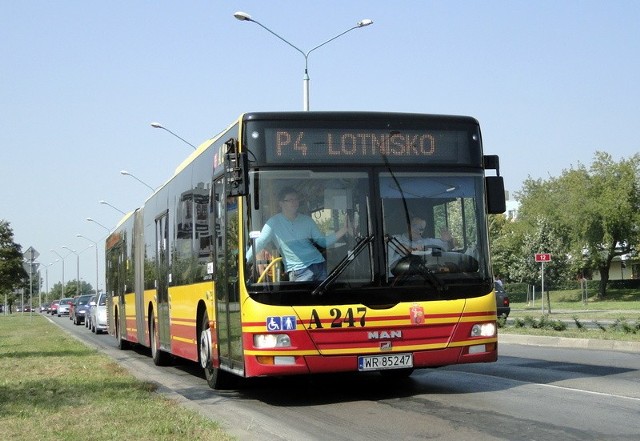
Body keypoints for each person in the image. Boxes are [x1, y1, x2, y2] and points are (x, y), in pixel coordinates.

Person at [247, 187, 350, 281]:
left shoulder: (307, 221)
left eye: (296, 199)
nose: (294, 202)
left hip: (319, 265)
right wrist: (245, 260)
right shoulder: (273, 223)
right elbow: (260, 242)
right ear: (281, 203)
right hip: (298, 271)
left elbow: (323, 242)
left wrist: (344, 229)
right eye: (290, 200)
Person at [387, 216, 455, 275]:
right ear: (408, 226)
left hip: (422, 277)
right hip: (396, 280)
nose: (417, 230)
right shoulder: (395, 239)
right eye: (415, 226)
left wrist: (448, 240)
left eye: (421, 229)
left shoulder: (426, 241)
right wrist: (415, 250)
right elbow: (404, 249)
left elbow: (449, 246)